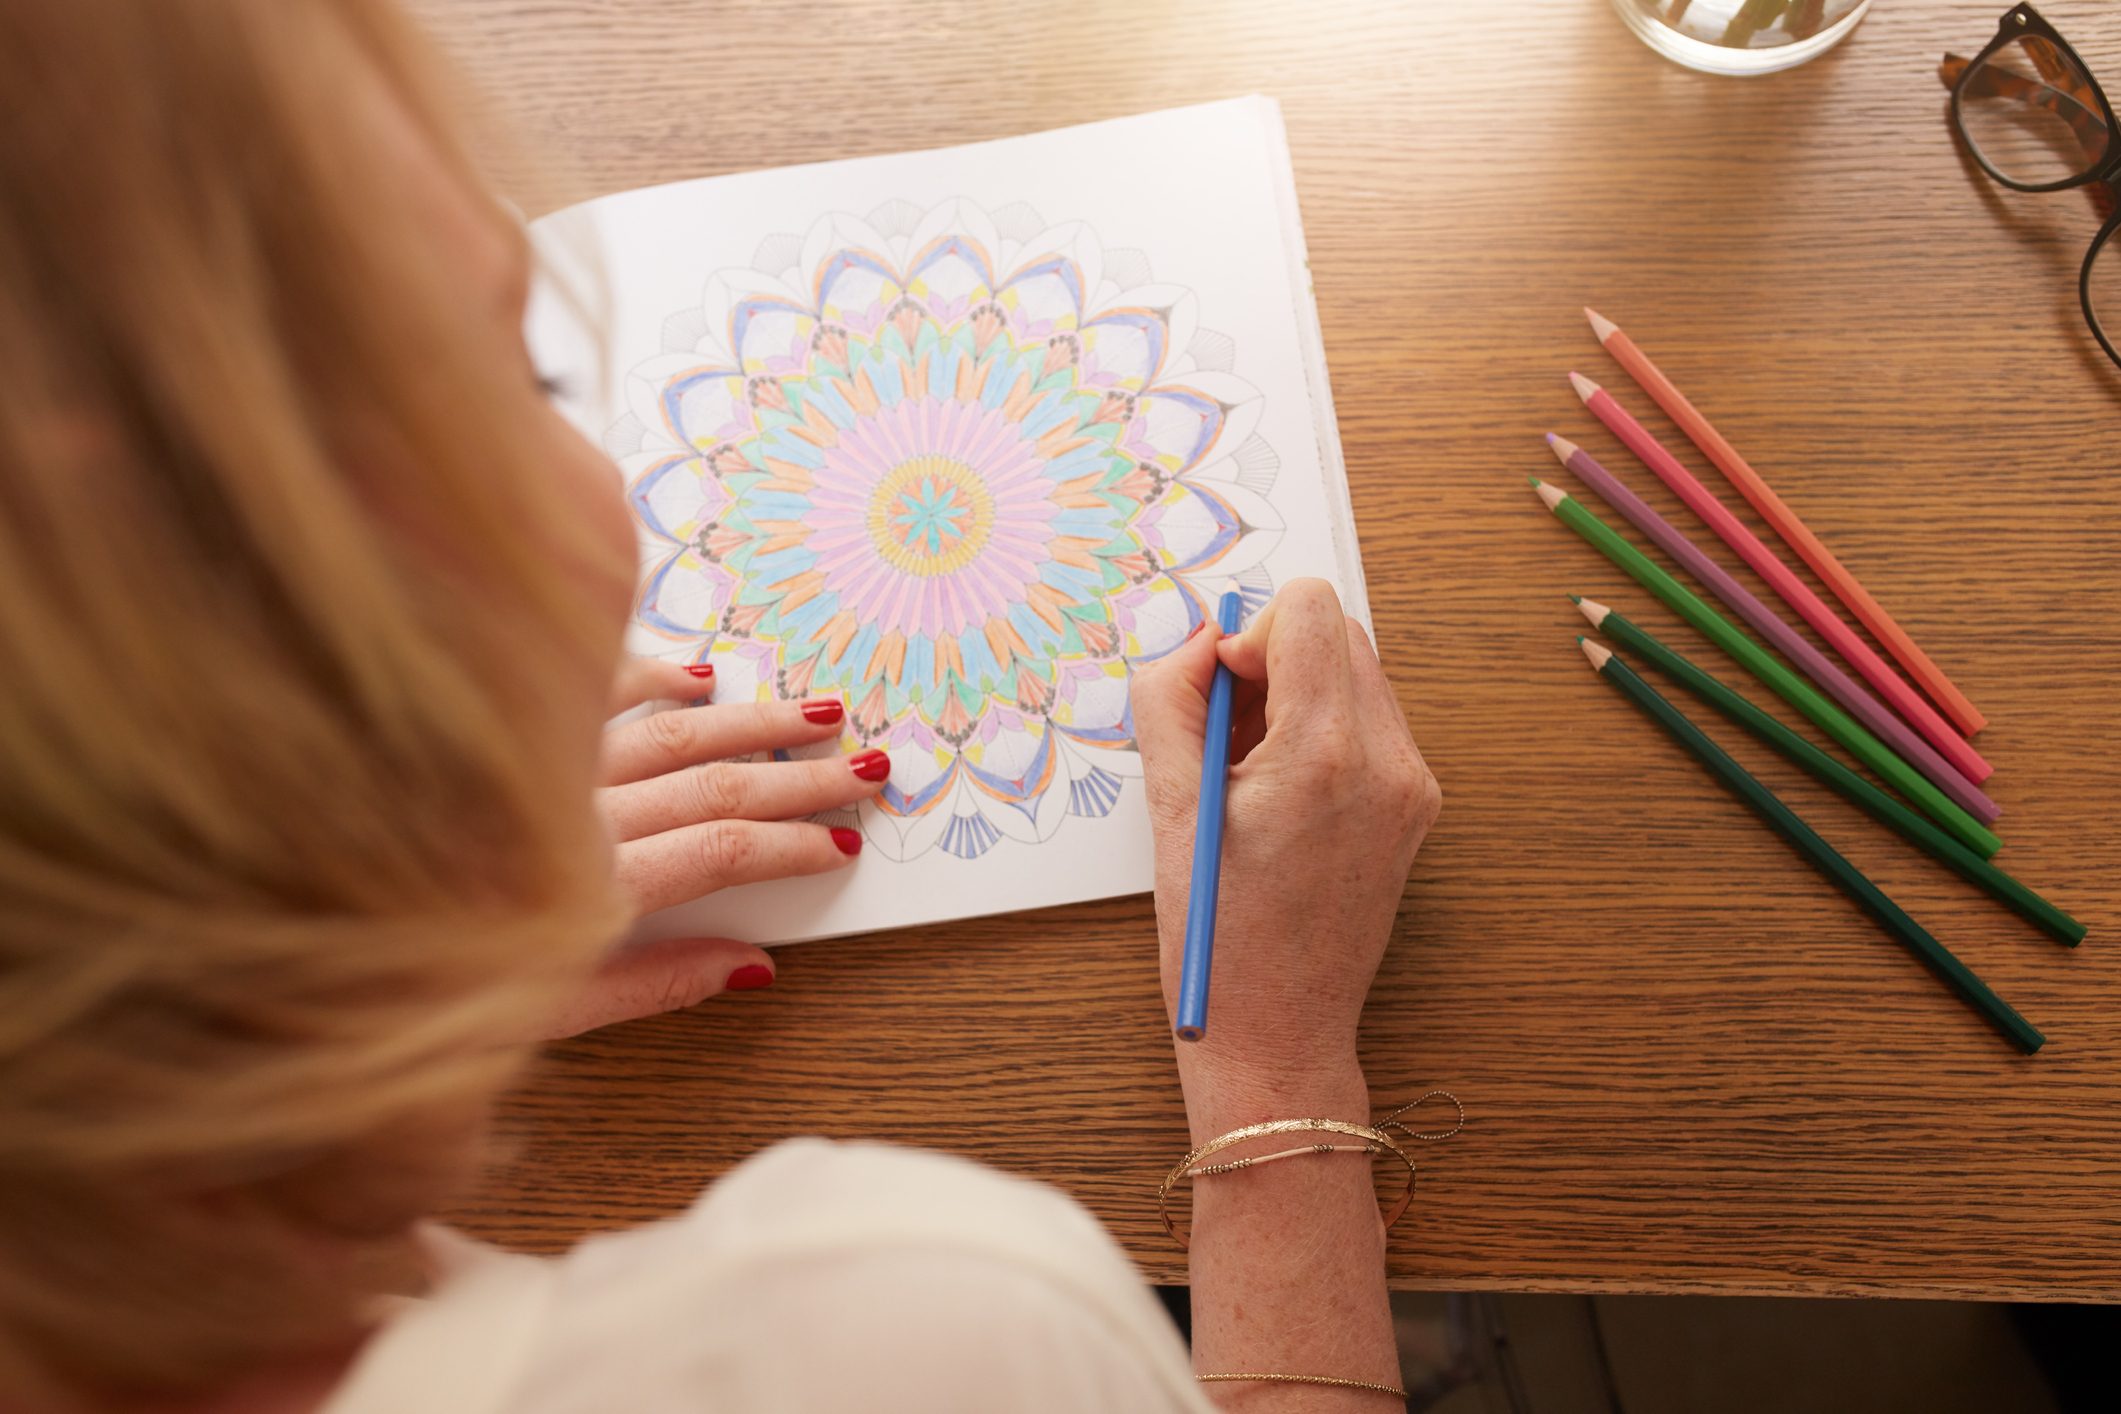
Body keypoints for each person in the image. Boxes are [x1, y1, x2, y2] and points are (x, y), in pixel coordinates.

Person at [0, 3, 1442, 1411]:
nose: (604, 507)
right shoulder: (915, 1331)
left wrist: (306, 976)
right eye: (506, 386)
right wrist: (1273, 1071)